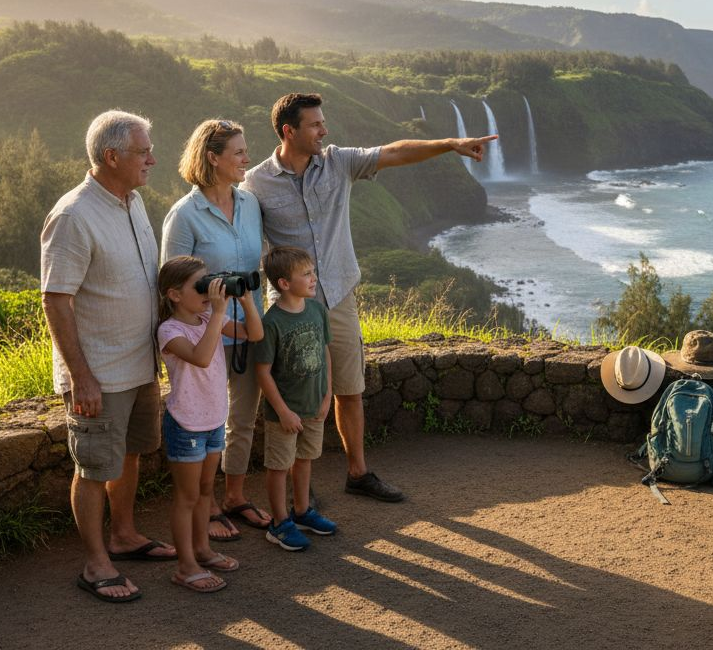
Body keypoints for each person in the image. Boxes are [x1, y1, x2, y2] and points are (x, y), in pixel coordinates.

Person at [240, 93, 497, 503]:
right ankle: (296, 490)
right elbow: (246, 245)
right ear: (289, 131)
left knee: (349, 389)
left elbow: (394, 152)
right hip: (291, 309)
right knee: (294, 396)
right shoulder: (255, 183)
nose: (324, 130)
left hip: (339, 295)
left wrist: (449, 144)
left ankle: (357, 473)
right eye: (315, 125)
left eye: (323, 123)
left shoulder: (338, 161)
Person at [41, 110, 175, 604]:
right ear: (112, 156)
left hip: (139, 363)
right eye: (144, 152)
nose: (153, 159)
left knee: (132, 452)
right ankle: (96, 564)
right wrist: (82, 377)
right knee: (94, 467)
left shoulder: (132, 201)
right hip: (98, 370)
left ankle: (124, 535)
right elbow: (56, 299)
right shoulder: (74, 215)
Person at [161, 118, 272, 541]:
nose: (247, 158)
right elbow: (171, 281)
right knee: (204, 416)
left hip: (248, 326)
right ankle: (204, 504)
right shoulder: (184, 216)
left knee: (241, 417)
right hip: (203, 336)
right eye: (239, 152)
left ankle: (235, 496)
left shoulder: (250, 204)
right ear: (213, 157)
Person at [156, 255, 264, 592]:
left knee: (206, 490)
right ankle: (185, 566)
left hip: (214, 419)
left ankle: (202, 549)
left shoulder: (206, 317)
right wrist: (218, 312)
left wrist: (244, 298)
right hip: (186, 423)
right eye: (200, 286)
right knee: (187, 496)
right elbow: (201, 358)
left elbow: (253, 334)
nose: (209, 291)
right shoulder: (170, 330)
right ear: (174, 295)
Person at [254, 246, 337, 551]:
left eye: (312, 271)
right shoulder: (272, 322)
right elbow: (262, 372)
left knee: (304, 460)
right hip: (284, 413)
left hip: (314, 405)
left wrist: (327, 395)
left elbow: (325, 352)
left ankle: (301, 512)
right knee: (279, 466)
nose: (313, 278)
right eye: (306, 274)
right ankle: (278, 523)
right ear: (285, 284)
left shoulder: (317, 311)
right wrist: (283, 411)